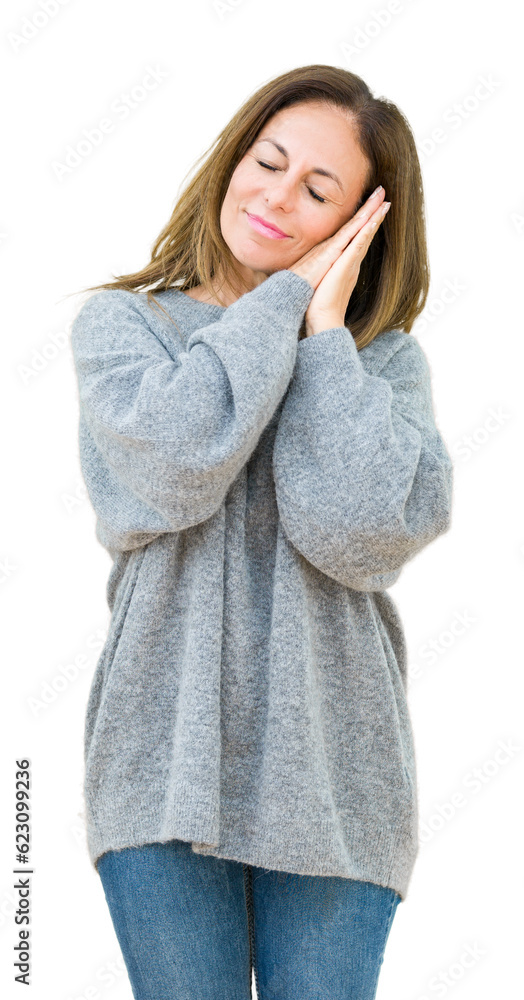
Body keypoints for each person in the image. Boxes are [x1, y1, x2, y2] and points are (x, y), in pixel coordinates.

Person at [70, 64, 453, 999]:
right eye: (269, 162)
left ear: (360, 225)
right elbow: (175, 465)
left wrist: (324, 337)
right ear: (232, 160)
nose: (278, 198)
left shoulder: (382, 366)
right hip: (161, 765)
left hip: (336, 782)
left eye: (318, 190)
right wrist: (282, 301)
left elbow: (358, 533)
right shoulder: (125, 327)